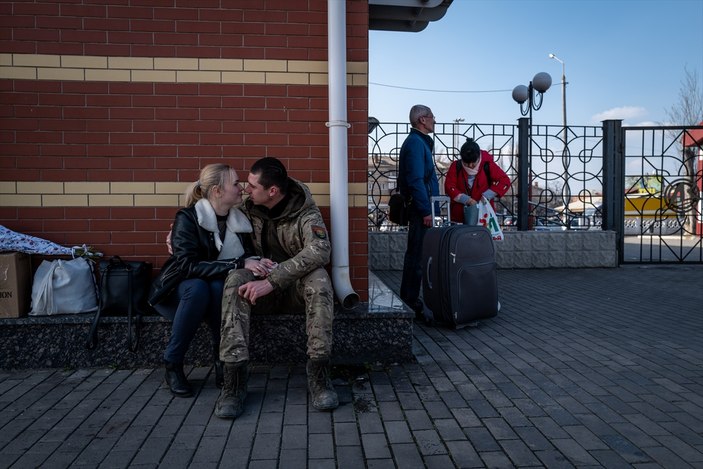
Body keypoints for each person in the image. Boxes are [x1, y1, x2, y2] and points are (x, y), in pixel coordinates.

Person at [215, 157, 337, 419]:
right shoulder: (247, 207)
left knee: (319, 279)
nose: (246, 189)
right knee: (235, 279)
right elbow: (211, 209)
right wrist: (181, 232)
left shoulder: (305, 210)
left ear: (272, 191)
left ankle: (320, 375)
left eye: (252, 186)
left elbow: (320, 249)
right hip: (257, 285)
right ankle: (233, 383)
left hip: (292, 289)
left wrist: (272, 281)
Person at [148, 164, 275, 398]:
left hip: (215, 290)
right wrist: (238, 264)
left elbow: (246, 256)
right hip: (180, 291)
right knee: (198, 288)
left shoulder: (239, 220)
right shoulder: (188, 218)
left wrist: (260, 262)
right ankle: (173, 364)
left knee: (219, 287)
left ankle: (222, 362)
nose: (242, 189)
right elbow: (186, 267)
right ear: (217, 191)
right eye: (235, 184)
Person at [397, 104, 440, 319]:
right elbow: (415, 180)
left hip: (423, 208)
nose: (435, 119)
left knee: (417, 256)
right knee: (416, 257)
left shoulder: (419, 142)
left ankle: (411, 300)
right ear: (422, 120)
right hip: (420, 210)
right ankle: (410, 302)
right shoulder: (415, 143)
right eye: (432, 116)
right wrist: (425, 211)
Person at [444, 138, 511, 224]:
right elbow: (449, 187)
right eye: (466, 163)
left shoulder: (488, 165)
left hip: (484, 215)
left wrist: (486, 196)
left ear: (479, 156)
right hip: (459, 217)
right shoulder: (456, 166)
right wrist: (466, 200)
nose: (470, 166)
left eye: (473, 162)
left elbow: (504, 181)